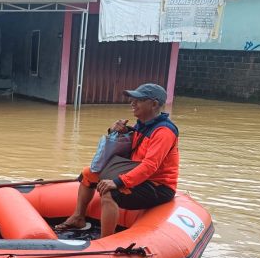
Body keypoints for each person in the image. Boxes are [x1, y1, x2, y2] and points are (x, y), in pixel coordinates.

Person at [55, 83, 179, 237]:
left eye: (138, 100)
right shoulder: (142, 125)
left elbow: (150, 166)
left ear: (153, 104)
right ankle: (78, 217)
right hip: (137, 174)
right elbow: (127, 150)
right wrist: (116, 132)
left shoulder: (164, 131)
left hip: (157, 186)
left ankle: (106, 240)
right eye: (133, 99)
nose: (132, 103)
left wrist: (119, 182)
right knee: (88, 174)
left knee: (110, 192)